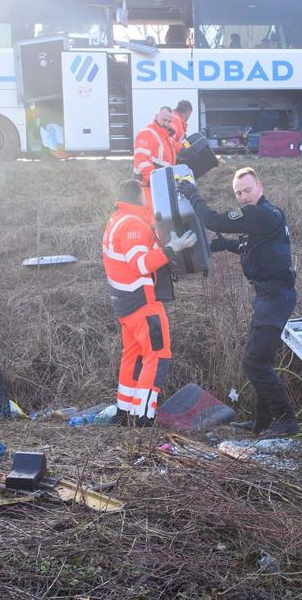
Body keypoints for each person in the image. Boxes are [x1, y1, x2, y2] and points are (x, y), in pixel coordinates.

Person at [177, 168, 300, 436]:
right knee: (260, 360)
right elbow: (259, 247)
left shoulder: (258, 213)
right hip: (272, 296)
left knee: (254, 362)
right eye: (238, 193)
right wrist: (228, 246)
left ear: (260, 186)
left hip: (275, 297)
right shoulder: (268, 214)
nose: (243, 196)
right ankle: (262, 422)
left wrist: (191, 192)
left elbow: (213, 220)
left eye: (247, 190)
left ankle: (287, 420)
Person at [102, 180, 197, 425]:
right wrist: (172, 249)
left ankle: (124, 411)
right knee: (157, 355)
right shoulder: (133, 224)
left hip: (125, 304)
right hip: (143, 302)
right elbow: (141, 265)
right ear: (140, 197)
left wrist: (164, 244)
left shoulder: (117, 220)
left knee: (132, 356)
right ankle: (142, 416)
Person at [133, 107, 177, 209]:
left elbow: (177, 146)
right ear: (156, 117)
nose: (166, 124)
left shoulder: (166, 136)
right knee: (150, 218)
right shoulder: (147, 134)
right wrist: (157, 182)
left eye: (169, 121)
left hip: (159, 186)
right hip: (147, 186)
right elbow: (141, 162)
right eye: (164, 120)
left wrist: (187, 147)